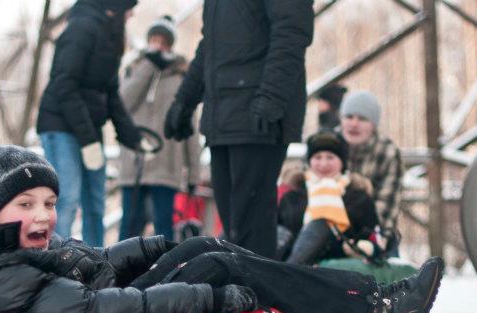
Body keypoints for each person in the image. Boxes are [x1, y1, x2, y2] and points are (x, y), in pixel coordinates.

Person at [0, 145, 444, 313]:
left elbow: (94, 264)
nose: (42, 216)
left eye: (49, 203)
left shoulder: (7, 246)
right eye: (25, 204)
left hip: (103, 297)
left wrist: (156, 247)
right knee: (215, 265)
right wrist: (211, 298)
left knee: (200, 245)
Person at [163, 0, 315, 259]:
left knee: (250, 222)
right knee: (233, 223)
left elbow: (291, 32)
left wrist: (271, 96)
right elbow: (209, 46)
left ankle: (257, 294)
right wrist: (184, 100)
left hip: (258, 114)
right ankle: (244, 291)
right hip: (222, 114)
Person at [36, 0, 145, 248]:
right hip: (60, 125)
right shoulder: (81, 28)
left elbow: (110, 93)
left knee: (95, 203)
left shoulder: (111, 35)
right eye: (129, 6)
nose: (131, 13)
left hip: (87, 130)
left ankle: (98, 264)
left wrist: (133, 138)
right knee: (67, 199)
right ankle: (56, 262)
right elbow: (64, 84)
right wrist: (88, 141)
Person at [117, 15, 201, 241]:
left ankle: (165, 274)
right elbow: (122, 103)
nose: (158, 44)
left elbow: (190, 126)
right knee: (129, 228)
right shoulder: (135, 68)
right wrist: (148, 65)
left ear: (170, 44)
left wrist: (194, 172)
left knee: (164, 228)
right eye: (154, 39)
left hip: (167, 167)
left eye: (163, 40)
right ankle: (118, 274)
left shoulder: (181, 76)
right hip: (134, 164)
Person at [277, 130, 380, 266]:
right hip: (291, 260)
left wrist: (360, 247)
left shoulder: (358, 197)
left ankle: (289, 272)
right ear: (309, 161)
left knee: (321, 224)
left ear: (342, 162)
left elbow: (374, 240)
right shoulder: (293, 194)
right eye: (318, 157)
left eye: (330, 157)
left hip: (338, 269)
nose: (324, 164)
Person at [339, 90, 404, 256]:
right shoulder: (326, 147)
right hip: (331, 231)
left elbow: (386, 206)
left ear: (373, 125)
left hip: (374, 231)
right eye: (349, 117)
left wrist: (369, 242)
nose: (354, 124)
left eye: (362, 119)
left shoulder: (387, 152)